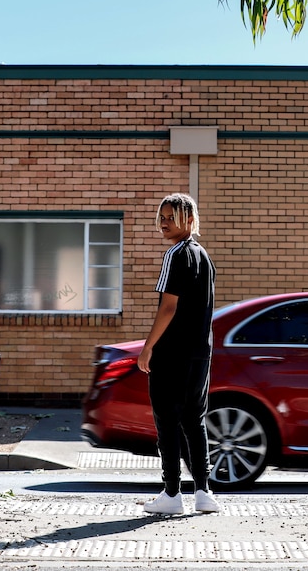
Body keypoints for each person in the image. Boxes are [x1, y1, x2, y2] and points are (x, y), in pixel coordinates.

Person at [137, 193, 219, 515]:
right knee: (194, 420)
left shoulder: (175, 254)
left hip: (172, 354)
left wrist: (148, 347)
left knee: (167, 421)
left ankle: (172, 494)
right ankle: (204, 492)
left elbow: (168, 307)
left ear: (188, 218)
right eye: (161, 217)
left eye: (170, 217)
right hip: (201, 353)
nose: (163, 223)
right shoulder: (204, 257)